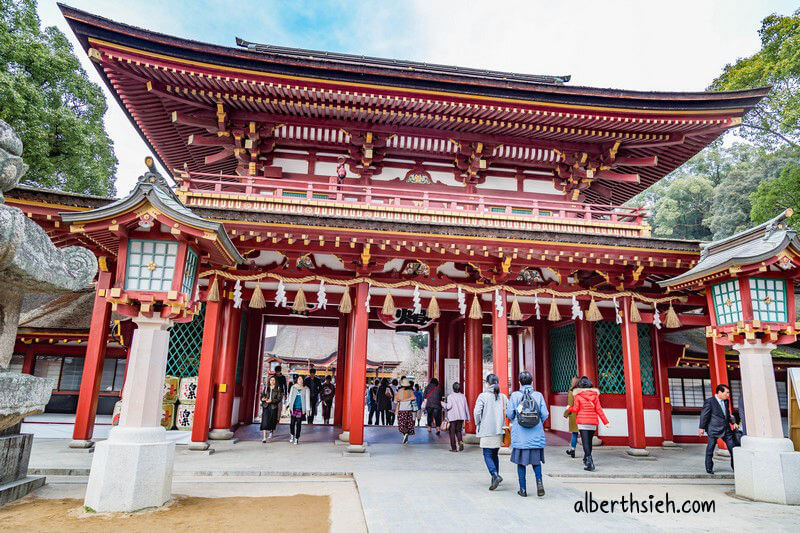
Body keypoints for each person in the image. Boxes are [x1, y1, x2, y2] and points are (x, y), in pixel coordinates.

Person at [506, 370, 549, 497]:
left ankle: (523, 489)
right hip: (536, 434)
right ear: (532, 382)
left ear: (519, 382)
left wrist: (517, 419)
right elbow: (545, 414)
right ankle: (539, 484)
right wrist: (537, 422)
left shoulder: (515, 395)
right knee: (536, 462)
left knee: (521, 463)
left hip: (520, 436)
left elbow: (509, 414)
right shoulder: (538, 395)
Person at [567, 376, 610, 471]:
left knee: (585, 443)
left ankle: (590, 462)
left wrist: (569, 408)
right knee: (589, 442)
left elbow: (576, 409)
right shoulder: (595, 396)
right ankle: (586, 459)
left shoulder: (578, 396)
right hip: (592, 422)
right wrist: (606, 422)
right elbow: (599, 409)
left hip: (583, 422)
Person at [474, 373, 508, 490]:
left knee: (487, 454)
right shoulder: (502, 397)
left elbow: (477, 412)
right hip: (499, 430)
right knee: (494, 454)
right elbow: (508, 411)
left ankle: (495, 475)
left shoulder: (483, 396)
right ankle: (495, 479)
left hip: (486, 430)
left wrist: (478, 423)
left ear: (487, 383)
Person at [698, 384, 738, 474]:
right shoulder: (710, 401)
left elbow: (727, 413)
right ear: (720, 392)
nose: (728, 395)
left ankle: (735, 467)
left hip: (726, 429)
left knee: (733, 448)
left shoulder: (726, 401)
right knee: (710, 449)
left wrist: (733, 422)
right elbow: (704, 415)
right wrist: (701, 427)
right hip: (714, 429)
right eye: (726, 393)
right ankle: (709, 468)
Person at [442, 382, 470, 452]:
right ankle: (460, 442)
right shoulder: (463, 396)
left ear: (453, 388)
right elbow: (466, 407)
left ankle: (454, 448)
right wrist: (468, 417)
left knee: (452, 432)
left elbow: (448, 406)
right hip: (461, 416)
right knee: (459, 431)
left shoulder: (450, 396)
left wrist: (442, 403)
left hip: (453, 417)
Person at [285, 375, 310, 444]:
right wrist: (287, 405)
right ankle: (292, 434)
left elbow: (307, 400)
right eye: (299, 379)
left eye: (301, 379)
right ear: (297, 380)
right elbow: (290, 397)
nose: (300, 380)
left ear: (303, 380)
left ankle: (296, 438)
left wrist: (308, 410)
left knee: (298, 424)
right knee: (292, 423)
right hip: (293, 407)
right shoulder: (293, 387)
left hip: (301, 408)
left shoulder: (306, 389)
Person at [260, 375, 283, 442]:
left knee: (272, 421)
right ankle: (264, 437)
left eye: (273, 380)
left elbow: (279, 399)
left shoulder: (278, 388)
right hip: (266, 406)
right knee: (264, 421)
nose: (272, 381)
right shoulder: (266, 388)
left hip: (273, 406)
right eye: (271, 380)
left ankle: (271, 432)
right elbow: (262, 395)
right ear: (269, 381)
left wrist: (272, 401)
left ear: (275, 381)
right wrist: (262, 399)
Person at [394, 377, 418, 444]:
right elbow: (414, 398)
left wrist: (402, 400)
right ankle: (406, 436)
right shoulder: (410, 391)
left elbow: (395, 401)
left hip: (401, 409)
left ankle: (405, 434)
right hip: (409, 409)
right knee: (408, 423)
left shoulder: (400, 391)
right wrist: (407, 399)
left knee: (402, 423)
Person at [563, 376, 580, 458]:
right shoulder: (582, 391)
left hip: (574, 414)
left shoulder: (571, 391)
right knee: (584, 434)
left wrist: (565, 414)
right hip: (582, 414)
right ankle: (587, 452)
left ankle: (572, 450)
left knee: (574, 433)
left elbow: (570, 404)